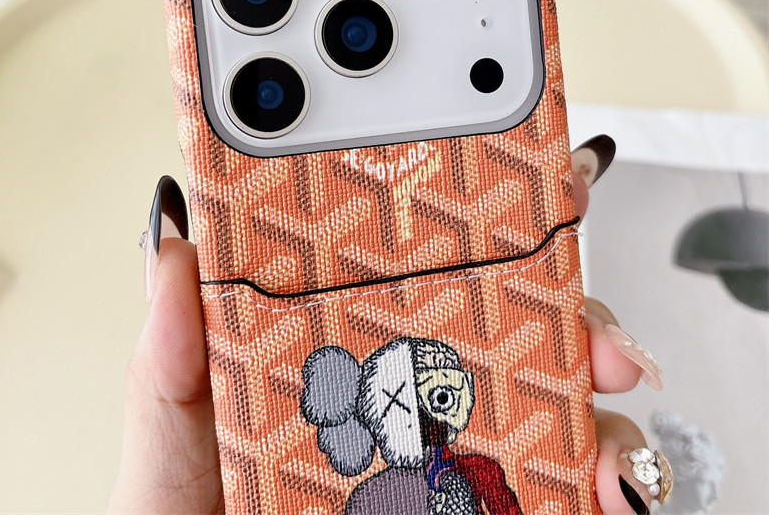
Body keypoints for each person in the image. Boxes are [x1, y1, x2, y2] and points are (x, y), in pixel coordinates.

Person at [108, 159, 664, 515]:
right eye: (421, 397)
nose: (437, 409)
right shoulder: (380, 495)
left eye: (440, 392)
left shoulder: (483, 470)